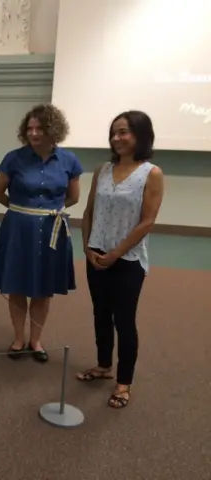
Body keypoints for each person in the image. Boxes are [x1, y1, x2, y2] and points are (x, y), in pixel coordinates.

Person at [76, 110, 164, 409]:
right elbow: (88, 212)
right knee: (100, 313)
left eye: (124, 131)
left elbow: (147, 221)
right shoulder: (102, 169)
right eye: (114, 132)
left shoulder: (151, 173)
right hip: (95, 254)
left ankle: (124, 382)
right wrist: (88, 247)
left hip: (127, 260)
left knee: (123, 320)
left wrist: (116, 253)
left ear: (140, 135)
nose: (117, 138)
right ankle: (103, 366)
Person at [0, 104, 83, 362]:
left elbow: (73, 197)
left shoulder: (69, 160)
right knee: (17, 285)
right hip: (18, 230)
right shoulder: (13, 158)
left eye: (39, 128)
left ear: (53, 130)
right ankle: (19, 338)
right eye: (29, 128)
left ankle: (36, 340)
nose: (33, 133)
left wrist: (47, 212)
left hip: (52, 228)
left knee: (43, 288)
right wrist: (20, 211)